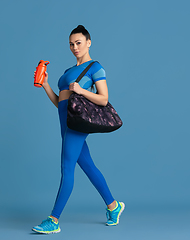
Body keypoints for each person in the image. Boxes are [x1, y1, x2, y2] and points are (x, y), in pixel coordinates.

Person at [32, 25, 125, 234]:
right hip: (65, 121)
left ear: (88, 42)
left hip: (77, 124)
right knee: (89, 166)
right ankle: (114, 206)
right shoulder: (67, 72)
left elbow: (103, 99)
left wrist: (82, 90)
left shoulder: (95, 67)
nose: (75, 47)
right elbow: (60, 103)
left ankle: (53, 220)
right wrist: (46, 85)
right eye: (71, 44)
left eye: (79, 43)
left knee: (67, 167)